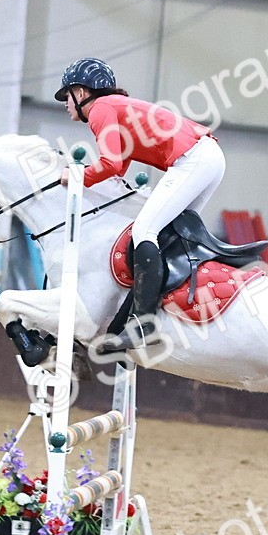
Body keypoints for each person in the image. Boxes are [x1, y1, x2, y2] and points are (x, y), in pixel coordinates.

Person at [55, 57, 224, 352]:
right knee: (167, 234)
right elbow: (118, 168)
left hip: (193, 160)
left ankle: (143, 326)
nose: (65, 104)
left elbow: (110, 162)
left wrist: (77, 176)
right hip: (208, 157)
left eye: (66, 96)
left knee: (144, 230)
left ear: (81, 93)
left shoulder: (100, 110)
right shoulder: (117, 107)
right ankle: (145, 317)